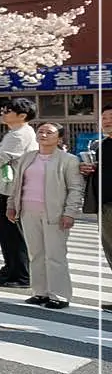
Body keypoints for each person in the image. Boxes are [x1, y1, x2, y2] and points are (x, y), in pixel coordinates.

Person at [8, 123, 84, 310]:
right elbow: (16, 184)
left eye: (49, 132)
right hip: (27, 211)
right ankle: (40, 292)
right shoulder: (28, 158)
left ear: (59, 138)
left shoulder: (68, 160)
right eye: (40, 131)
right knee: (36, 254)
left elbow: (75, 189)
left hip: (55, 214)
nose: (43, 134)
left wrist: (69, 213)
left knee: (55, 256)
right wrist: (11, 205)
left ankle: (59, 295)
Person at [0, 98, 37, 288]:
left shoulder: (19, 135)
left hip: (13, 190)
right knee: (6, 232)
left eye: (7, 111)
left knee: (13, 233)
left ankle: (21, 275)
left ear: (22, 115)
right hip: (7, 188)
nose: (3, 113)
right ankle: (10, 267)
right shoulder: (15, 133)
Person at [79, 105, 112, 312]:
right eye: (104, 117)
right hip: (105, 205)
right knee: (110, 251)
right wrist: (88, 170)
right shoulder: (102, 145)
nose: (107, 120)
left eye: (111, 117)